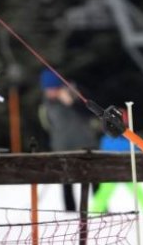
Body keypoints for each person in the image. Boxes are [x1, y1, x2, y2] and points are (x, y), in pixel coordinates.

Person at [38, 68, 98, 211]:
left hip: (86, 145)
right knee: (66, 182)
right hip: (62, 148)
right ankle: (70, 212)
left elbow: (91, 115)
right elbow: (47, 126)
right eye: (48, 89)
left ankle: (100, 209)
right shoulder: (46, 105)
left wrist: (72, 103)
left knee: (94, 179)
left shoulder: (77, 95)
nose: (50, 92)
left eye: (53, 88)